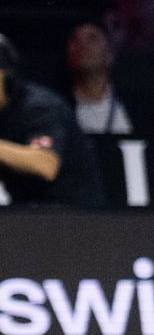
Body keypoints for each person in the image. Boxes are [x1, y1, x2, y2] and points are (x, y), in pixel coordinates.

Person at [0, 33, 103, 206]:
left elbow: (45, 164)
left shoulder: (39, 107)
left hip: (72, 218)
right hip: (25, 214)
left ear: (5, 75)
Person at [67, 21, 134, 134]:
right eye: (75, 39)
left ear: (110, 54)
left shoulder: (138, 106)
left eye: (92, 38)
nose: (82, 45)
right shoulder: (58, 106)